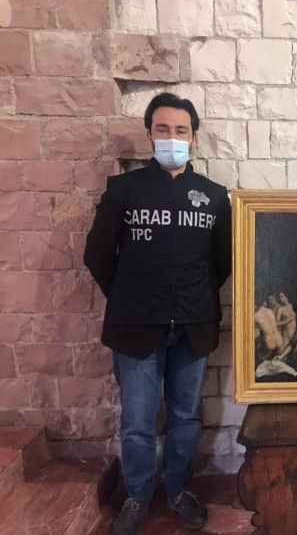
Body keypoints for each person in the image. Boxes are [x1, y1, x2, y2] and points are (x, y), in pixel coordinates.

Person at [84, 93, 231, 535]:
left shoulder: (214, 197)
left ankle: (179, 490)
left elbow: (222, 263)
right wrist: (129, 296)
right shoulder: (123, 191)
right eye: (163, 129)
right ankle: (137, 495)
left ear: (194, 138)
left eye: (181, 130)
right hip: (135, 327)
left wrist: (192, 299)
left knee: (186, 418)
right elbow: (97, 255)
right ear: (149, 134)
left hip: (193, 326)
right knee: (137, 422)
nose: (172, 137)